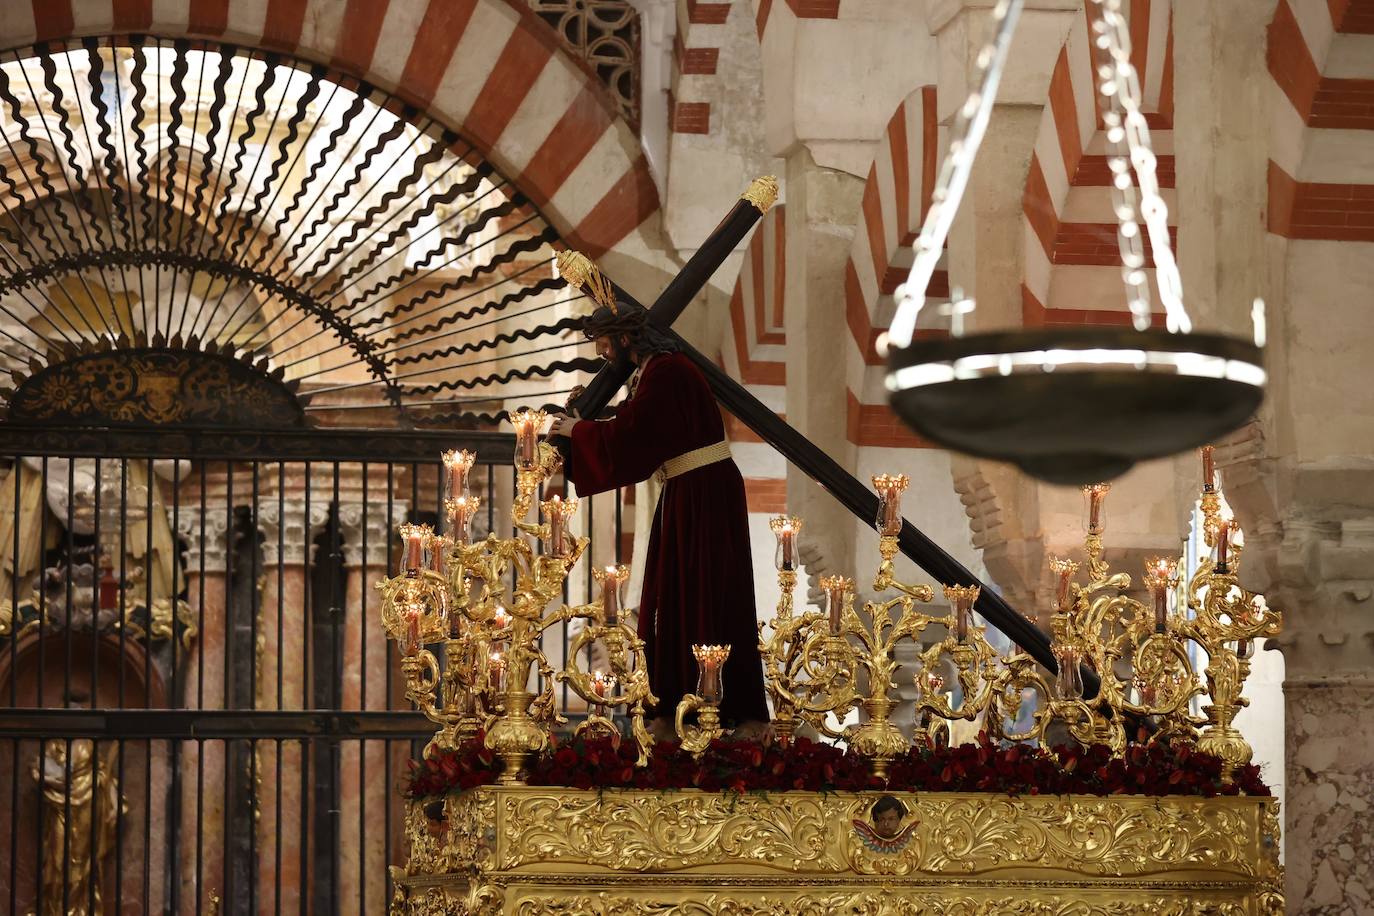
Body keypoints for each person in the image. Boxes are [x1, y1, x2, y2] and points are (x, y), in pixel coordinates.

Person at [548, 303, 770, 740]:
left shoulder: (668, 371)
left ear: (626, 339)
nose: (603, 352)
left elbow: (636, 437)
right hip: (689, 491)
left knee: (702, 594)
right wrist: (587, 421)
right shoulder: (657, 372)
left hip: (703, 494)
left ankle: (720, 710)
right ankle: (673, 707)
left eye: (605, 342)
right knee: (677, 596)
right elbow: (637, 425)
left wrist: (577, 431)